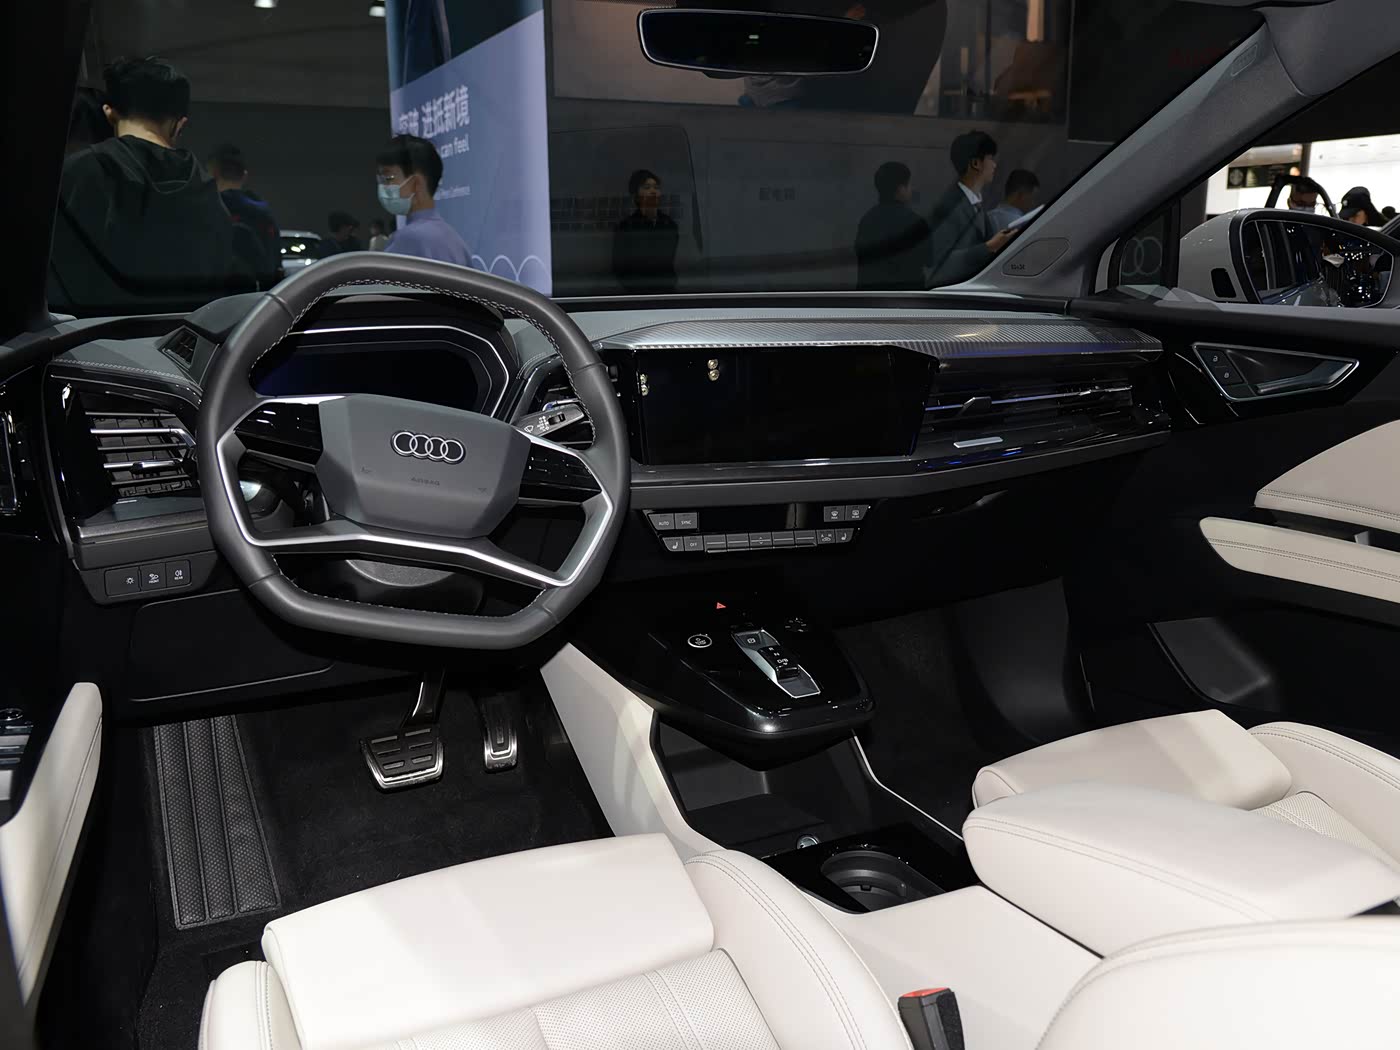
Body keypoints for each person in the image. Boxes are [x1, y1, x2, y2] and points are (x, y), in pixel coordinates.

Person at [48, 57, 234, 309]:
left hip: (93, 331)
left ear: (109, 112)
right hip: (186, 330)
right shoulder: (206, 188)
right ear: (180, 124)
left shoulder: (78, 172)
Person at [926, 130, 1018, 286]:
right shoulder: (949, 205)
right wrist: (989, 246)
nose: (994, 165)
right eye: (990, 158)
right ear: (975, 163)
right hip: (954, 291)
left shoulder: (976, 202)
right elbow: (941, 260)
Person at [376, 134, 471, 265]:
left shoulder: (408, 240)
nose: (383, 186)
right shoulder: (455, 240)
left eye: (388, 178)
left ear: (416, 183)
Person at [207, 143, 281, 280]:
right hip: (259, 291)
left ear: (214, 174)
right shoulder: (264, 215)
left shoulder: (207, 211)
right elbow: (275, 262)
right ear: (244, 175)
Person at [853, 161, 930, 290]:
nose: (911, 189)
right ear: (901, 189)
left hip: (871, 296)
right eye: (909, 185)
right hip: (907, 295)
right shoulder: (915, 221)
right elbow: (929, 260)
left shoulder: (867, 220)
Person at [612, 169, 680, 293]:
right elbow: (619, 267)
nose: (653, 191)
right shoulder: (626, 227)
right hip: (637, 294)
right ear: (636, 195)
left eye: (656, 188)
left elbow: (668, 261)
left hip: (666, 293)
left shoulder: (669, 225)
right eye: (647, 187)